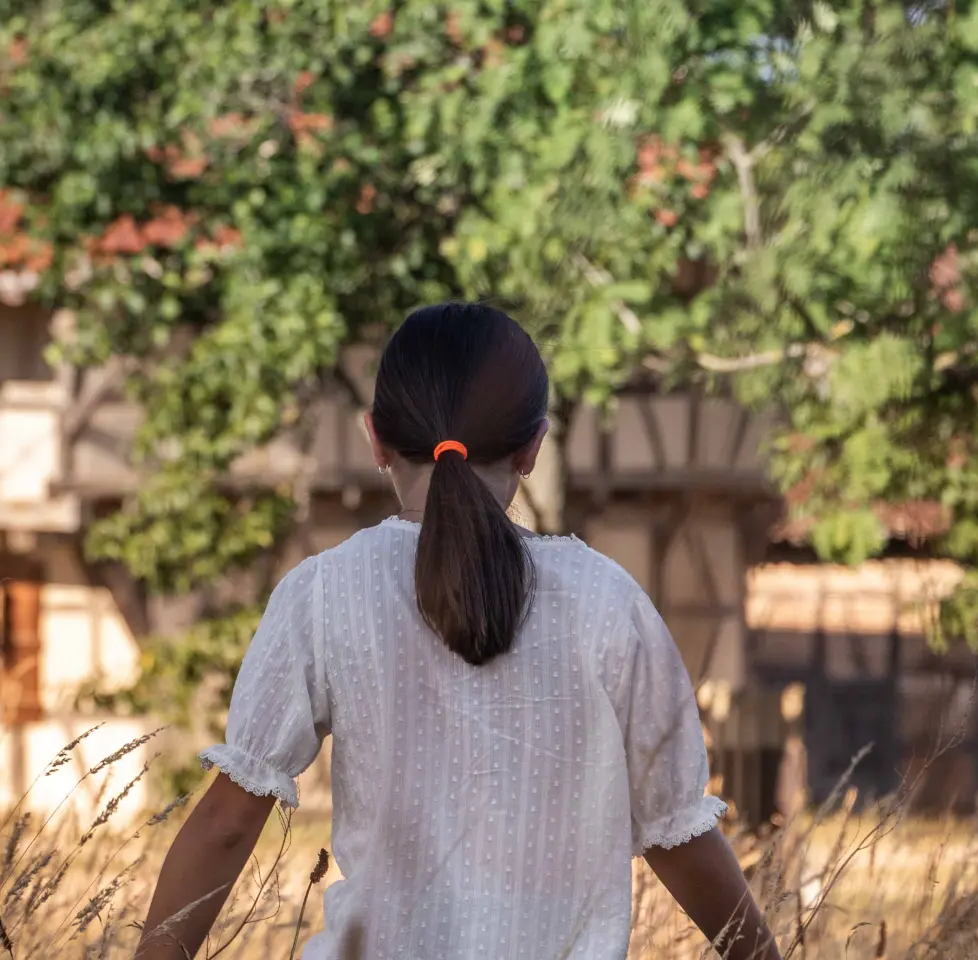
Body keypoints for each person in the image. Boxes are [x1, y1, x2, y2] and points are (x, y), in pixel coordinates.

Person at [132, 303, 780, 959]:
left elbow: (225, 823)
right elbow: (677, 832)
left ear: (375, 439)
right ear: (532, 448)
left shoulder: (326, 593)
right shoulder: (604, 599)